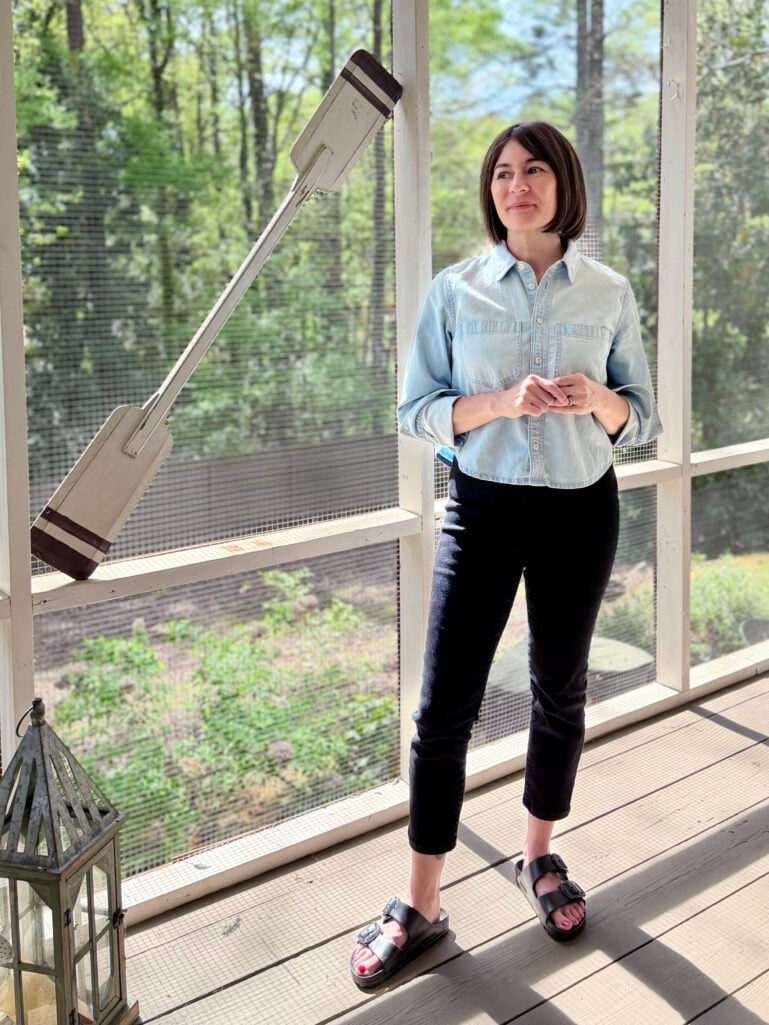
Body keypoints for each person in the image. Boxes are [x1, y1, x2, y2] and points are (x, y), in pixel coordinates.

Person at [349, 121, 662, 990]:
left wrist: (598, 397)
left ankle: (537, 855)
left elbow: (642, 418)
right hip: (479, 512)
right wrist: (494, 403)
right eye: (500, 173)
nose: (514, 184)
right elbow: (414, 409)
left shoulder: (608, 290)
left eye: (532, 170)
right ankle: (420, 902)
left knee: (559, 689)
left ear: (563, 184)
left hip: (580, 510)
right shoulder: (454, 290)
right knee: (441, 707)